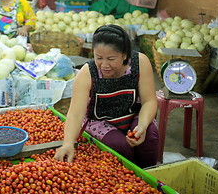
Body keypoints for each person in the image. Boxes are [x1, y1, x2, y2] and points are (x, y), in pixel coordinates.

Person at [54, 24, 159, 168]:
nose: (104, 65)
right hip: (100, 122)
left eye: (111, 58)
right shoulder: (88, 73)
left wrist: (142, 125)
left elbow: (149, 101)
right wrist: (68, 144)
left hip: (133, 115)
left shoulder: (140, 62)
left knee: (149, 137)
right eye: (99, 58)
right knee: (121, 148)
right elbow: (75, 114)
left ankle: (149, 174)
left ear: (124, 55)